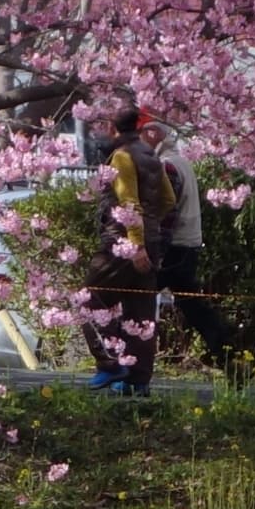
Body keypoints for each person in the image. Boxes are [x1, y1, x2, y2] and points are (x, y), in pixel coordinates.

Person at [82, 106, 174, 395]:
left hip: (121, 245)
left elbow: (128, 202)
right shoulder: (150, 154)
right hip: (153, 242)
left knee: (88, 299)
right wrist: (150, 229)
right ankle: (139, 381)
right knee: (141, 313)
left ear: (112, 126)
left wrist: (135, 243)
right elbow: (168, 199)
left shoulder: (121, 157)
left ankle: (109, 363)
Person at [140, 114, 234, 370]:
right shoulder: (181, 161)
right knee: (192, 305)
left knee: (138, 299)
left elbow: (167, 213)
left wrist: (155, 250)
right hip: (187, 245)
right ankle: (226, 351)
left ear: (153, 134)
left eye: (141, 134)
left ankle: (134, 362)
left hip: (174, 247)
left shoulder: (167, 165)